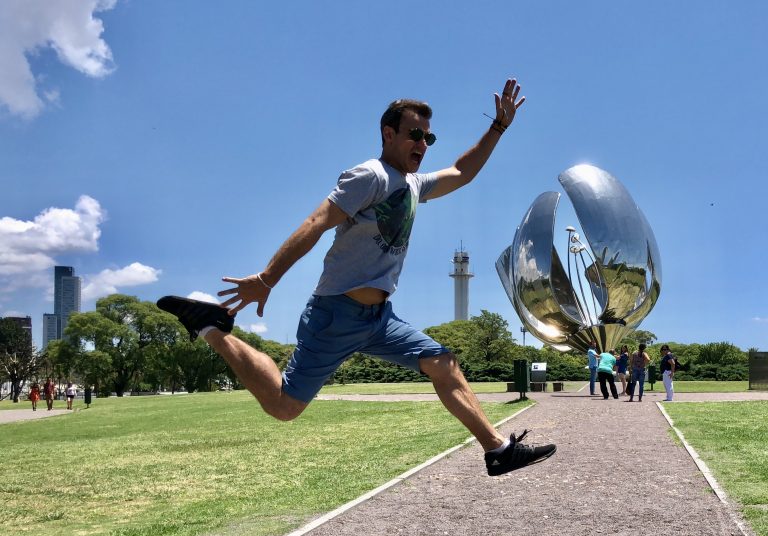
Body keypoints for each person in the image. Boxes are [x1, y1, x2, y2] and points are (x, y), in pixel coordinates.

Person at [157, 79, 555, 476]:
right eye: (415, 134)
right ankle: (213, 329)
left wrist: (498, 128)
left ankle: (497, 450)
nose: (422, 144)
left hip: (381, 319)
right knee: (284, 406)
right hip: (336, 314)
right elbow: (316, 221)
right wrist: (267, 278)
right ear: (388, 133)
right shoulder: (370, 176)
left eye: (428, 138)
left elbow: (461, 171)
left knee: (443, 363)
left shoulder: (414, 184)